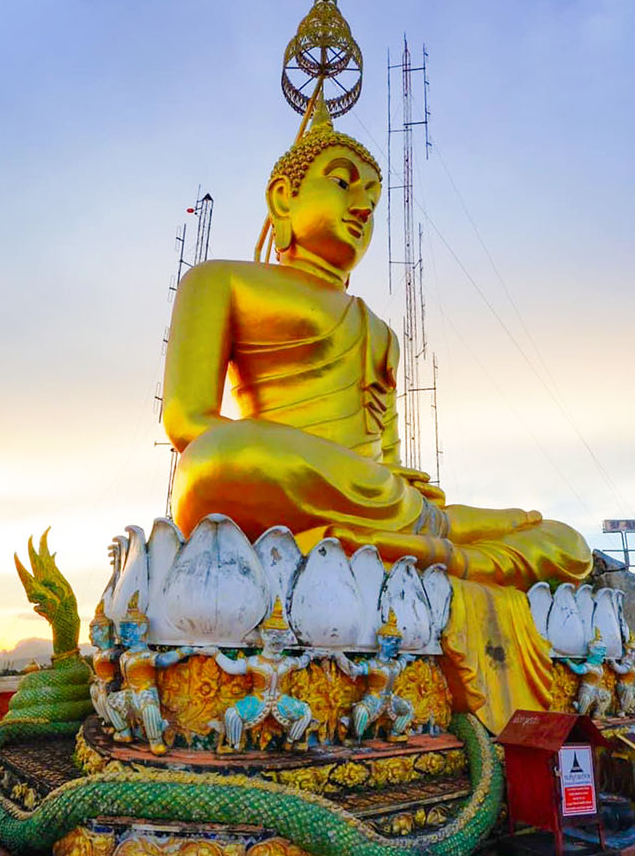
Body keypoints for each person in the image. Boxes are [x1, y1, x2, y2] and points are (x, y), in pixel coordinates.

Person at [158, 103, 595, 731]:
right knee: (212, 460)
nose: (363, 204)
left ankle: (433, 546)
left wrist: (402, 492)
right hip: (276, 478)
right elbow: (188, 420)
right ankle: (432, 543)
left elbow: (381, 461)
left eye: (374, 194)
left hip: (373, 500)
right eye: (342, 181)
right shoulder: (222, 279)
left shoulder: (381, 332)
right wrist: (376, 488)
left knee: (567, 543)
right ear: (283, 198)